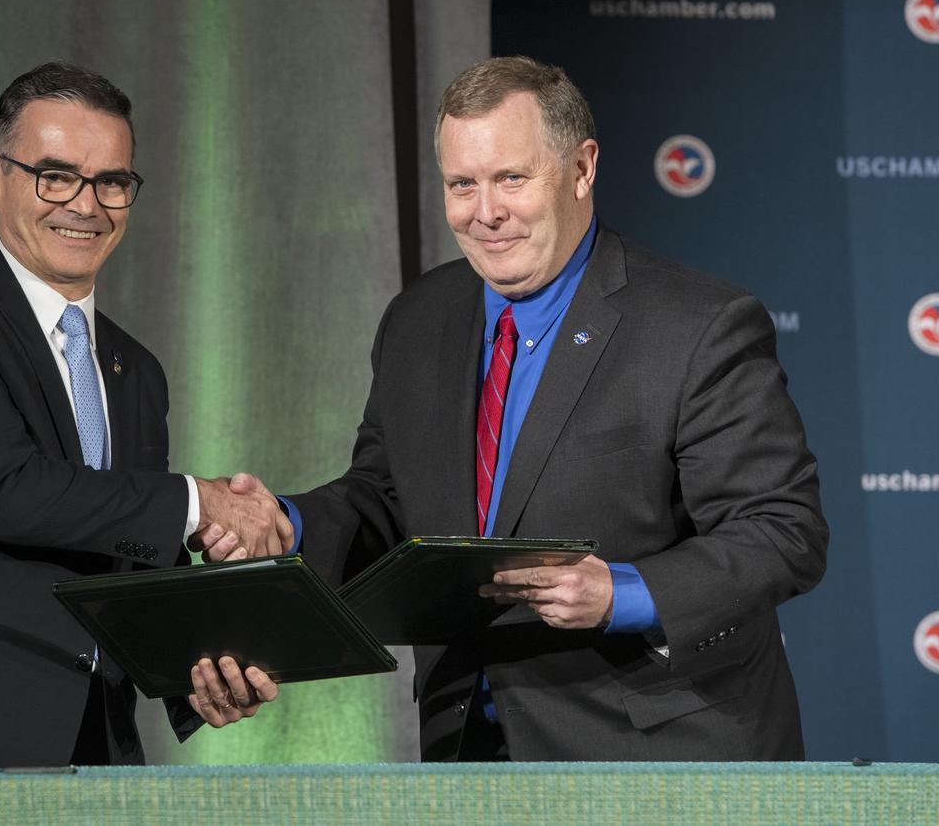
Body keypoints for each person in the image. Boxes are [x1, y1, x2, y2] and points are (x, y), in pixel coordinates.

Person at [216, 55, 828, 761]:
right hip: (467, 751)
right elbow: (385, 501)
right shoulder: (417, 320)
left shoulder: (698, 326)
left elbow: (783, 531)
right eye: (462, 185)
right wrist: (285, 523)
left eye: (512, 177)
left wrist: (623, 591)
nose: (486, 212)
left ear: (581, 168)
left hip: (658, 755)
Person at [0, 62, 291, 824]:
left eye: (111, 182)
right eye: (56, 177)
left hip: (92, 758)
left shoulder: (136, 368)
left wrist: (199, 671)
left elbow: (122, 551)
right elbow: (11, 491)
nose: (86, 206)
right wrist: (200, 503)